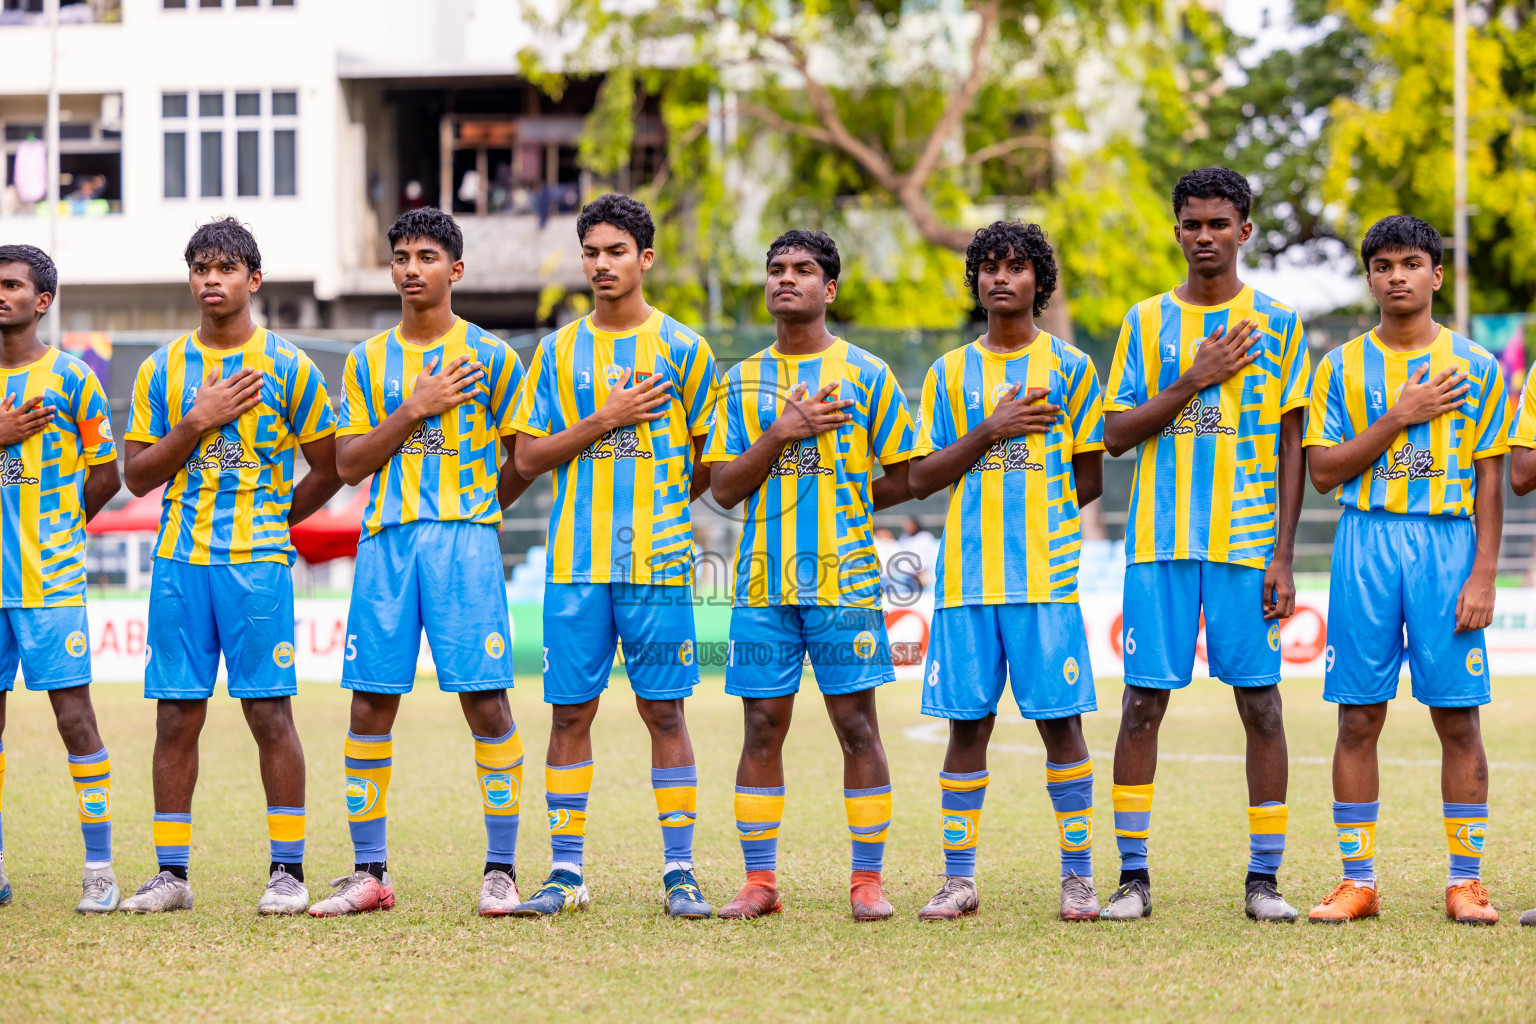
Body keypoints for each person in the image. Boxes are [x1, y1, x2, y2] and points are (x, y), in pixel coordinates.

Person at [305, 208, 533, 919]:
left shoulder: (494, 358)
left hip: (465, 541)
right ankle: (369, 873)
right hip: (387, 542)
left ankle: (501, 871)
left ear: (455, 270)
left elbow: (520, 459)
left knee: (486, 699)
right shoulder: (369, 360)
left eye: (426, 256)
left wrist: (477, 505)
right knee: (371, 701)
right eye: (400, 256)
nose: (410, 268)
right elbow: (345, 464)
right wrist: (414, 408)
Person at [1101, 167, 1310, 922]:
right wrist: (1194, 378)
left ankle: (1264, 881)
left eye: (1220, 223)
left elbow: (1294, 447)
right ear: (1177, 229)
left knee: (1261, 706)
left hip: (1246, 546)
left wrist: (1283, 555)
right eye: (1192, 223)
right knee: (1140, 706)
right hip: (1159, 544)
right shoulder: (1147, 320)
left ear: (1245, 231)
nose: (1205, 236)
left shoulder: (1281, 323)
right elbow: (1115, 434)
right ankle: (1132, 878)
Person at [118, 218, 340, 914]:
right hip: (181, 563)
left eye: (225, 267)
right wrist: (195, 421)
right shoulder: (161, 370)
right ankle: (172, 876)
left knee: (269, 713)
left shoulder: (290, 366)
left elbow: (329, 468)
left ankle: (288, 872)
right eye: (199, 268)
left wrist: (276, 517)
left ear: (254, 278)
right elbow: (134, 475)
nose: (210, 279)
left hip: (257, 566)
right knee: (176, 716)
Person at [510, 193, 718, 919]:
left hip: (657, 563)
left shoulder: (685, 349)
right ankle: (566, 873)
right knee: (570, 715)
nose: (602, 264)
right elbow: (529, 454)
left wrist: (657, 507)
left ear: (645, 259)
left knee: (665, 712)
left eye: (616, 251)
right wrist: (604, 420)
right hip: (576, 563)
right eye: (592, 252)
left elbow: (704, 463)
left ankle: (681, 871)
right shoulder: (558, 350)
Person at [1303, 215, 1507, 926]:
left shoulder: (1479, 367)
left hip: (1447, 549)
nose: (1397, 275)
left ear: (1436, 275)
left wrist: (1483, 573)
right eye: (1383, 264)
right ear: (1370, 278)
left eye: (1411, 263)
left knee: (1457, 717)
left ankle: (1466, 883)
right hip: (1366, 544)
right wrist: (1399, 416)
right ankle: (1357, 881)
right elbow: (1323, 471)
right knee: (1357, 716)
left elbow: (1490, 478)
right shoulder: (1341, 368)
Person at [706, 229, 915, 922]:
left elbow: (902, 478)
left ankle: (867, 883)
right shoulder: (738, 382)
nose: (785, 279)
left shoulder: (868, 374)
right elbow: (725, 489)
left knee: (857, 726)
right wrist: (782, 432)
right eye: (775, 269)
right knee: (761, 727)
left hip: (846, 582)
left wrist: (846, 494)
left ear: (829, 289)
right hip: (762, 584)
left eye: (802, 270)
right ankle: (759, 884)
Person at [906, 222, 1106, 922]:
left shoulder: (1074, 370)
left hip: (1044, 584)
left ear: (1038, 283)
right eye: (988, 266)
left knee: (1063, 728)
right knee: (968, 728)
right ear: (976, 282)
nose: (1000, 277)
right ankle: (958, 879)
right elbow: (923, 476)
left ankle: (1078, 878)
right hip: (966, 582)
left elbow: (1087, 479)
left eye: (1016, 267)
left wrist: (1037, 518)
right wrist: (990, 431)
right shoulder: (948, 374)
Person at [0, 245, 121, 912]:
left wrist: (57, 528)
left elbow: (108, 473)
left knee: (75, 718)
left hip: (48, 582)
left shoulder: (72, 379)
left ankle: (99, 866)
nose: (1, 293)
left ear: (41, 301)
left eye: (13, 285)